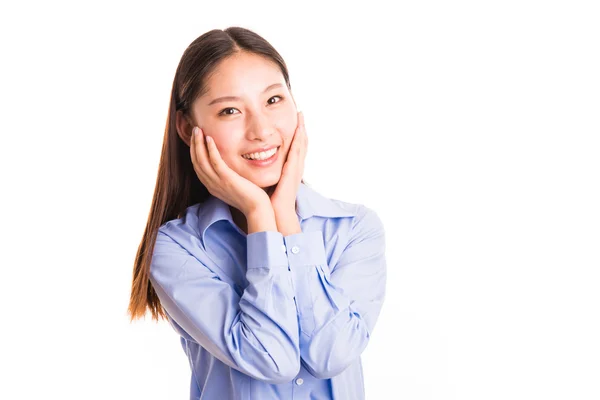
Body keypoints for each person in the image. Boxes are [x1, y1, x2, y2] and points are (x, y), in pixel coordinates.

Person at [128, 26, 387, 400]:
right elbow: (272, 360)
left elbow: (331, 355)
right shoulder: (176, 248)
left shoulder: (354, 230)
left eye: (273, 100)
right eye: (230, 110)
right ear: (188, 128)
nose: (262, 130)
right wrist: (260, 215)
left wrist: (285, 215)